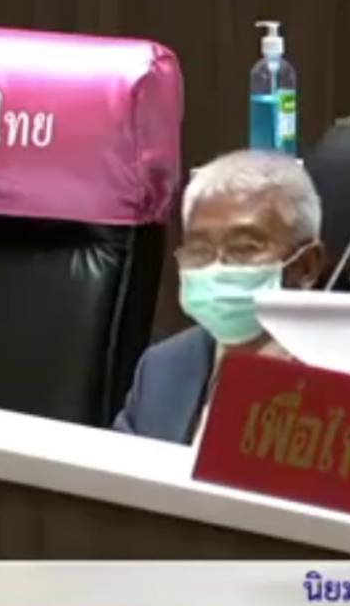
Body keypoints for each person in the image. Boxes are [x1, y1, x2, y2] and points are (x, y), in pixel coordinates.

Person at [113, 150, 324, 442]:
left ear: (306, 266)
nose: (216, 267)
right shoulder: (162, 367)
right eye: (199, 249)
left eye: (244, 247)